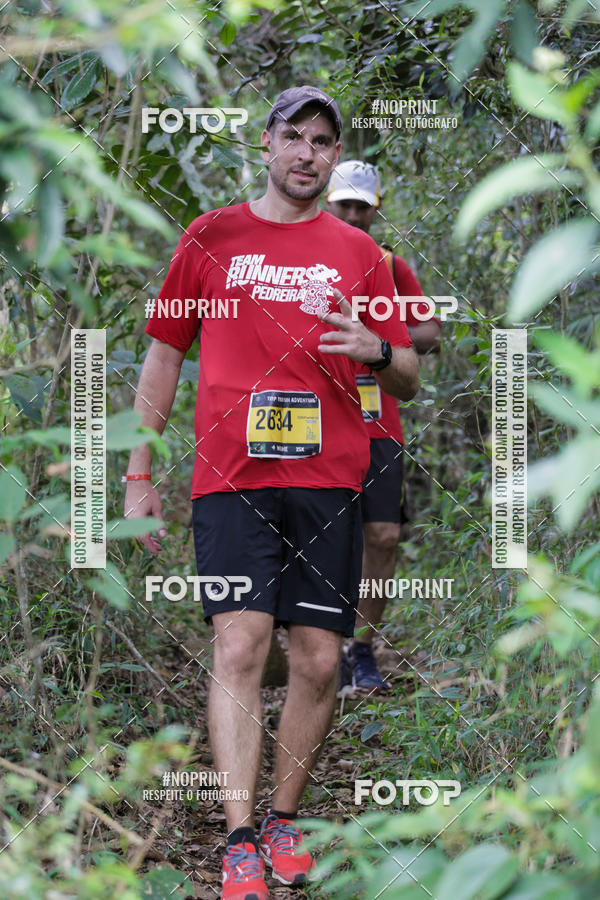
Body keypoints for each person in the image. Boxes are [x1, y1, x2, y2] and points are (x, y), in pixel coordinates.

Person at [124, 88, 419, 900]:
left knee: (319, 660)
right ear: (266, 143)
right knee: (241, 646)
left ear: (334, 157)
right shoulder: (211, 238)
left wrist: (376, 348)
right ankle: (241, 837)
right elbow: (162, 356)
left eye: (324, 142)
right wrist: (137, 476)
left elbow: (409, 373)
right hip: (230, 479)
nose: (308, 154)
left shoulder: (360, 253)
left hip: (328, 480)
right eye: (295, 136)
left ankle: (286, 817)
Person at [326, 160, 441, 693]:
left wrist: (381, 341)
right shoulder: (304, 258)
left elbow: (429, 330)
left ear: (376, 208)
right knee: (315, 535)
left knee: (384, 534)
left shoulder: (388, 265)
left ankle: (362, 649)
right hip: (313, 420)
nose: (352, 214)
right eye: (343, 203)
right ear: (328, 201)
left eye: (362, 205)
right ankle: (310, 642)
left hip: (378, 421)